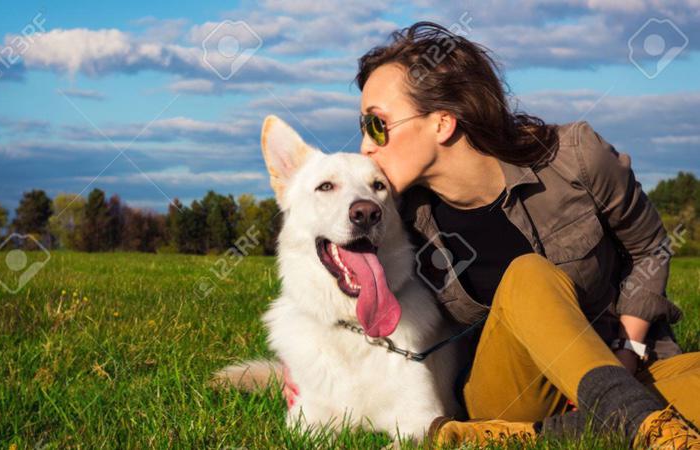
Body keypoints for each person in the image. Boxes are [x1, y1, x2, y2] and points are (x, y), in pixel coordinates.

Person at [283, 22, 700, 448]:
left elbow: (650, 246)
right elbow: (335, 277)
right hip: (511, 390)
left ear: (443, 123)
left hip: (620, 365)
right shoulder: (396, 218)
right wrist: (305, 365)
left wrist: (628, 352)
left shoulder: (576, 158)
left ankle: (537, 435)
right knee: (528, 275)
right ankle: (637, 423)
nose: (366, 146)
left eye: (377, 124)